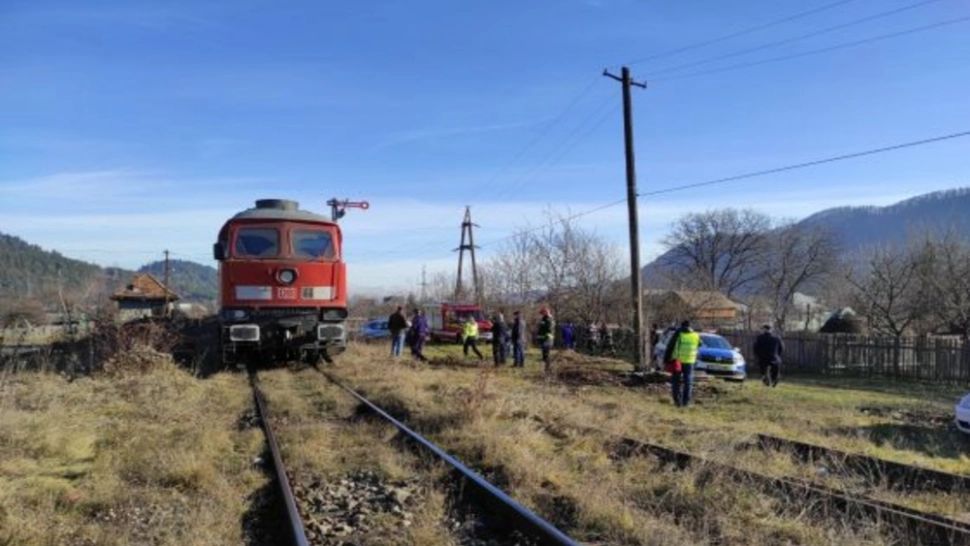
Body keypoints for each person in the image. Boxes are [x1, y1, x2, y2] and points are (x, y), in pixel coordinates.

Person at [663, 320, 701, 407]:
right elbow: (700, 344)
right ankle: (686, 402)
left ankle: (677, 402)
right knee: (688, 382)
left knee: (676, 382)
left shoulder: (678, 334)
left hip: (678, 361)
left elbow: (670, 346)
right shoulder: (695, 335)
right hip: (690, 361)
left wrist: (666, 360)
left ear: (681, 326)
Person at [537, 308, 555, 372]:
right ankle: (546, 368)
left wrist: (543, 336)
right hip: (544, 339)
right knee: (544, 354)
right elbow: (541, 329)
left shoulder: (549, 319)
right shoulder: (544, 319)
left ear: (546, 312)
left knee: (547, 354)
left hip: (547, 340)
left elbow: (549, 330)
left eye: (542, 313)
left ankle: (548, 368)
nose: (541, 315)